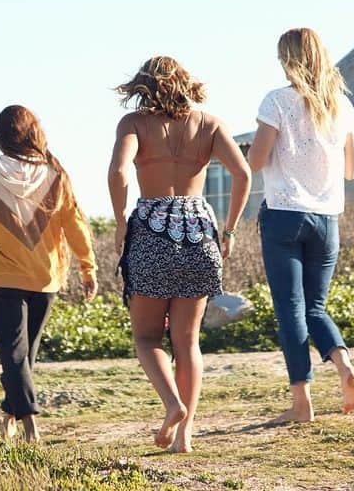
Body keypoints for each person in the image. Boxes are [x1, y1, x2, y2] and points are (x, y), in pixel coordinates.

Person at [108, 56, 251, 454]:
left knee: (147, 337)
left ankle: (172, 406)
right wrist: (231, 229)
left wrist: (121, 222)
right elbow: (243, 174)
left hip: (152, 231)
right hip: (199, 232)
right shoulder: (209, 124)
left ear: (144, 86)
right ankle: (185, 437)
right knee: (187, 342)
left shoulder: (133, 124)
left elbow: (119, 172)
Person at [0, 104, 97, 443]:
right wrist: (86, 266)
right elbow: (75, 224)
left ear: (0, 137)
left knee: (18, 354)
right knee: (21, 355)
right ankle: (19, 418)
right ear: (34, 133)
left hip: (6, 277)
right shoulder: (54, 173)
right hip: (46, 277)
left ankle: (21, 419)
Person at [247, 28, 354, 424]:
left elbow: (256, 160)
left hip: (283, 214)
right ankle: (344, 365)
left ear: (288, 60)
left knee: (291, 309)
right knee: (316, 307)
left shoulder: (276, 101)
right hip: (328, 218)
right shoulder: (342, 107)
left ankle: (302, 403)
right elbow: (351, 169)